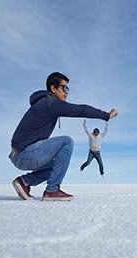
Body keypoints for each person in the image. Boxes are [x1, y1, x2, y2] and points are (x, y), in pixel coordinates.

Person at [9, 72, 118, 201]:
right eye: (64, 88)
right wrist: (106, 115)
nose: (67, 92)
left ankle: (24, 182)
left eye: (68, 89)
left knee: (58, 166)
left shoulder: (46, 103)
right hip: (25, 154)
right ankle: (52, 190)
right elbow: (81, 110)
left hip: (21, 155)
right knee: (66, 141)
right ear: (53, 89)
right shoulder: (50, 103)